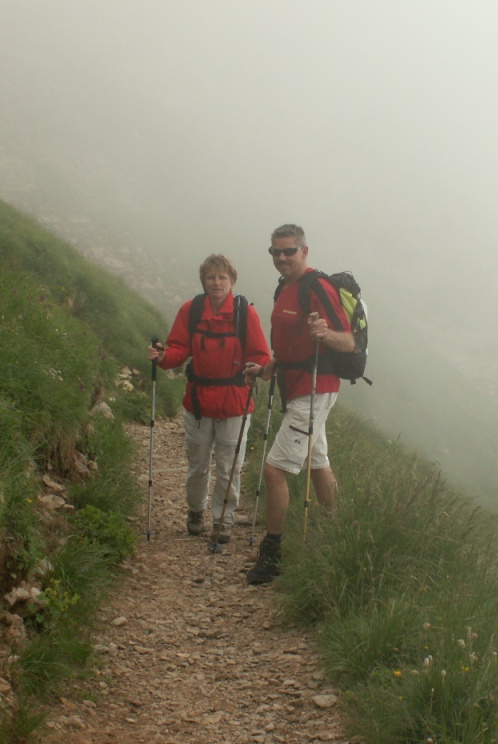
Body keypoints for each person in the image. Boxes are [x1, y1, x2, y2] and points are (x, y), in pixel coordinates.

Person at [243, 224, 354, 584]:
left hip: (314, 388)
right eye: (275, 252)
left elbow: (349, 341)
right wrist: (267, 368)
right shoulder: (285, 288)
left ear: (304, 251)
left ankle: (273, 554)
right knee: (317, 462)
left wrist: (326, 333)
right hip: (296, 386)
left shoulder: (316, 287)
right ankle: (334, 534)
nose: (281, 257)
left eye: (288, 251)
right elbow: (290, 346)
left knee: (275, 470)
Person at [149, 254, 270, 543]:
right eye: (211, 277)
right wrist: (163, 356)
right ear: (204, 281)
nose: (216, 283)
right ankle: (196, 511)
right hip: (199, 402)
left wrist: (260, 369)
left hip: (234, 402)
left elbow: (261, 355)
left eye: (222, 277)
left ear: (232, 281)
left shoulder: (245, 313)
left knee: (229, 466)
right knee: (198, 466)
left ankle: (223, 520)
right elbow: (179, 348)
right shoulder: (192, 310)